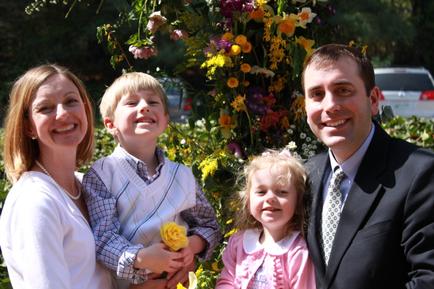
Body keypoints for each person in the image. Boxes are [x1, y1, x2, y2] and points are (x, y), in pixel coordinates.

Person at [302, 43, 434, 289]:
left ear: (373, 100)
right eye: (317, 94)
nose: (329, 106)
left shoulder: (421, 173)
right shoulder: (306, 175)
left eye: (343, 90)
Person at [82, 72, 221, 289]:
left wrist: (192, 246)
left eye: (153, 102)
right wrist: (141, 258)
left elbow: (209, 225)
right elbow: (103, 238)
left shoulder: (182, 176)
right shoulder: (102, 174)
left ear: (165, 120)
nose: (144, 106)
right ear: (110, 124)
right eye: (132, 102)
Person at [0, 64, 113, 289]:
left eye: (71, 101)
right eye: (45, 108)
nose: (63, 114)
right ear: (28, 127)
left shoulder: (87, 184)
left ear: (85, 109)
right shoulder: (35, 202)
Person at [215, 149, 316, 289]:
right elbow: (227, 281)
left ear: (297, 201)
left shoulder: (298, 251)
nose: (270, 198)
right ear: (248, 200)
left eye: (282, 192)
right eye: (261, 192)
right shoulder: (239, 243)